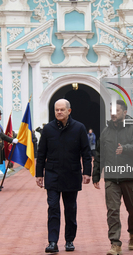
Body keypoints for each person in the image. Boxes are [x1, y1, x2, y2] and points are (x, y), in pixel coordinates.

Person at [36, 99, 92, 253]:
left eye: (62, 110)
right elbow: (41, 154)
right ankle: (52, 242)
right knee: (53, 208)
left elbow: (86, 153)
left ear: (69, 111)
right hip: (52, 175)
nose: (59, 112)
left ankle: (69, 240)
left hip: (72, 174)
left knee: (70, 209)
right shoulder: (48, 129)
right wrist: (39, 174)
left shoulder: (79, 128)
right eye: (56, 110)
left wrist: (87, 172)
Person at [92, 100, 133, 255]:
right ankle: (115, 243)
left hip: (130, 177)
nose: (113, 114)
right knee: (113, 211)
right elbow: (99, 154)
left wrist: (125, 149)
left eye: (117, 111)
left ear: (125, 112)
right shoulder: (106, 132)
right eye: (111, 111)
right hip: (111, 178)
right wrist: (96, 174)